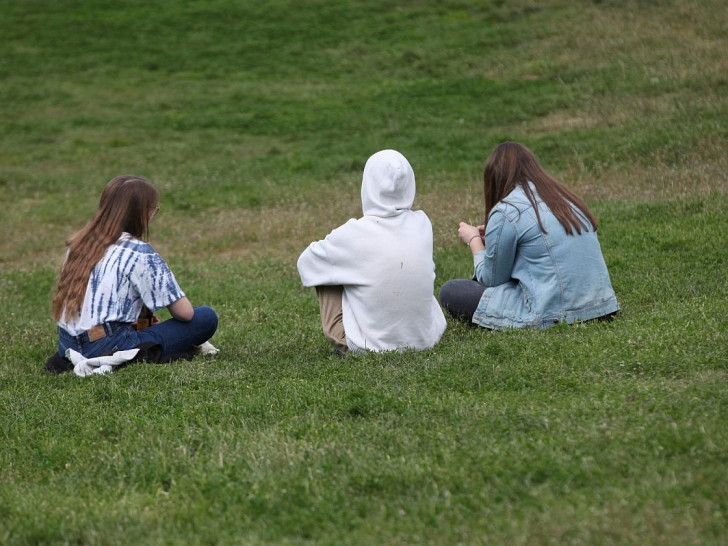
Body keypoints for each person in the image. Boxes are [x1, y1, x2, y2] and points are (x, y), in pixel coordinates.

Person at [440, 142, 619, 329]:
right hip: (603, 308)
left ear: (495, 178)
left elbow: (490, 279)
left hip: (556, 312)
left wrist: (473, 240)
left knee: (452, 290)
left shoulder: (507, 210)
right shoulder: (564, 197)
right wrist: (495, 237)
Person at [51, 175, 218, 363]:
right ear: (142, 213)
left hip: (67, 345)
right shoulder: (140, 252)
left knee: (139, 313)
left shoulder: (79, 244)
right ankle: (135, 350)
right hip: (110, 344)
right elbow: (185, 313)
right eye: (154, 210)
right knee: (206, 317)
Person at [297, 149, 447, 354]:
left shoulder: (353, 234)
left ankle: (345, 341)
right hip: (426, 338)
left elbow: (307, 262)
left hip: (370, 346)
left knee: (327, 268)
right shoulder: (422, 222)